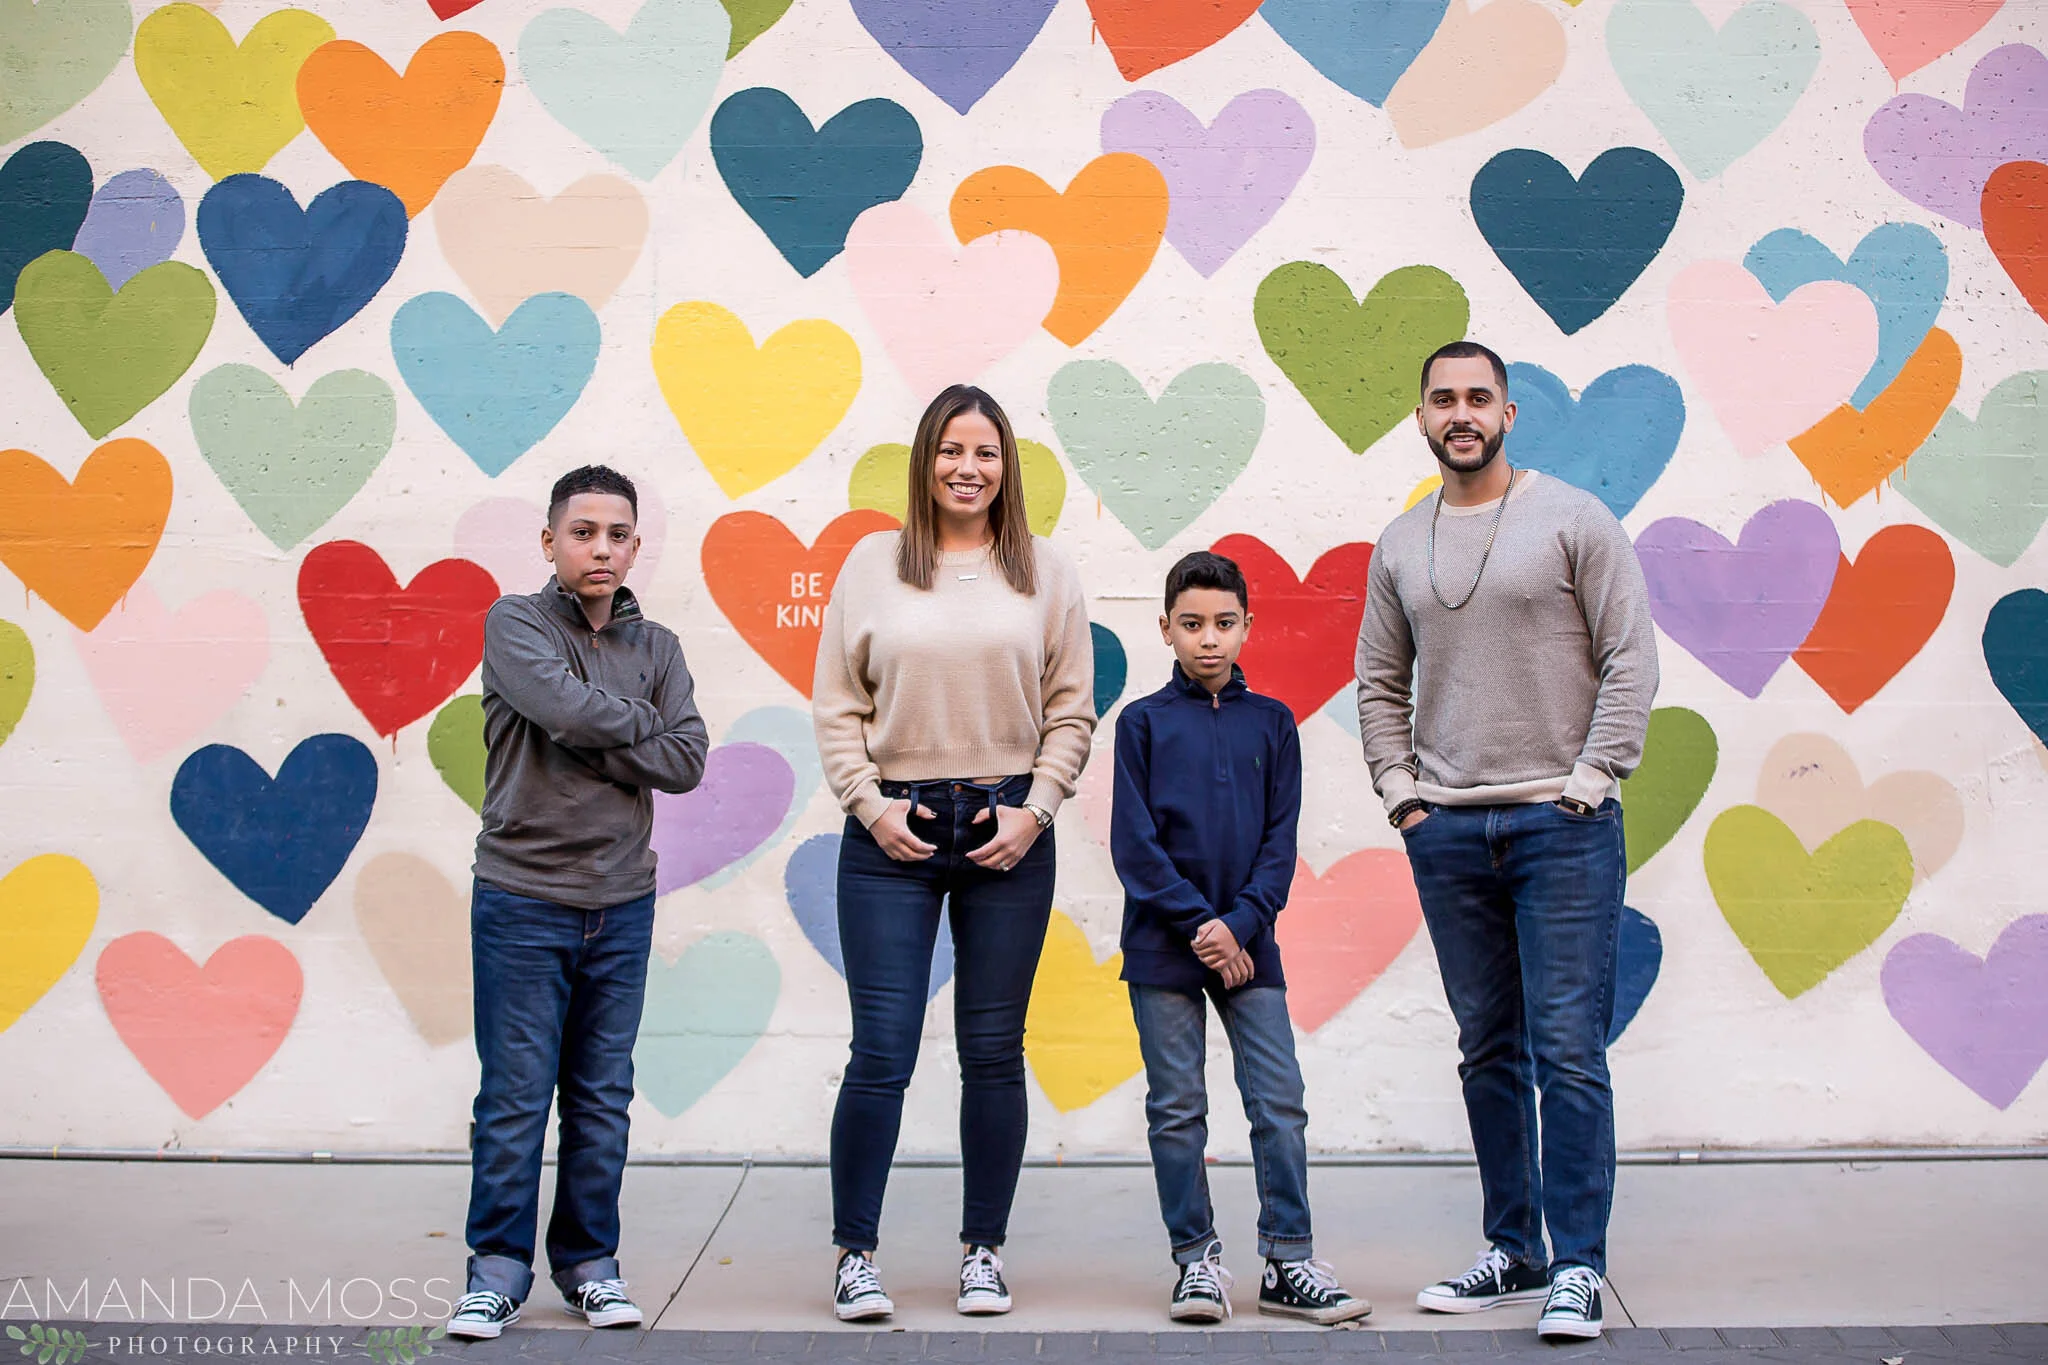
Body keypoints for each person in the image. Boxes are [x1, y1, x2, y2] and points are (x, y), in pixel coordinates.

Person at [1353, 342, 1658, 1341]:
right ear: (1421, 416)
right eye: (1441, 398)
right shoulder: (1400, 544)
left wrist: (1588, 780)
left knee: (1566, 1053)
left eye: (1476, 397)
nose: (1459, 413)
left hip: (1559, 829)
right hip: (1446, 832)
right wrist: (1401, 795)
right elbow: (1376, 684)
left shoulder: (1573, 519)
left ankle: (1575, 1264)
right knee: (1486, 1048)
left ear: (1508, 414)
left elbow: (1628, 658)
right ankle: (1512, 1249)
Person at [812, 384, 1096, 1322]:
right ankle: (855, 1254)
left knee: (993, 1050)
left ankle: (984, 1249)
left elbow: (1070, 712)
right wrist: (869, 804)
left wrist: (1036, 811)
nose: (966, 468)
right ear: (924, 460)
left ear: (1007, 465)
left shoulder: (1044, 574)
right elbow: (838, 706)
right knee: (881, 1051)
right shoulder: (871, 564)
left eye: (985, 451)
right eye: (949, 450)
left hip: (1007, 826)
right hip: (890, 829)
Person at [446, 465, 709, 1340]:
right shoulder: (514, 622)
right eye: (585, 531)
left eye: (619, 534)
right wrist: (631, 723)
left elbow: (688, 760)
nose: (603, 547)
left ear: (636, 546)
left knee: (601, 1094)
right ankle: (495, 1270)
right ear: (550, 540)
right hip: (524, 896)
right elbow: (566, 709)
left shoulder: (659, 647)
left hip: (622, 901)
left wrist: (596, 725)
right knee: (517, 1094)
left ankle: (591, 1263)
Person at [1111, 550, 1372, 1327]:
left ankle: (1288, 1260)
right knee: (1177, 1106)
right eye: (1191, 624)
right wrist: (1201, 925)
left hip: (1250, 945)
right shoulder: (1141, 724)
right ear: (1165, 628)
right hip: (1166, 947)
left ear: (1248, 626)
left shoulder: (1274, 724)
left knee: (1279, 1100)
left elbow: (1279, 843)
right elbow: (1135, 847)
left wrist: (1240, 925)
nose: (1209, 639)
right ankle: (1196, 1263)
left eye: (1224, 623)